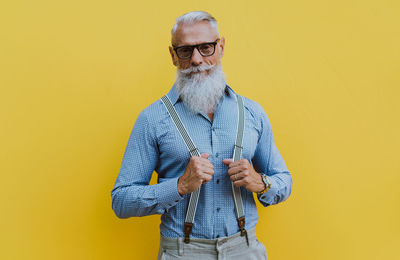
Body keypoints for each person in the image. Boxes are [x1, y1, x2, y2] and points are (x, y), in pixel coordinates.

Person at [111, 11, 292, 259]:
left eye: (206, 47)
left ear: (221, 47)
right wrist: (179, 186)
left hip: (244, 249)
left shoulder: (252, 112)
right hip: (182, 252)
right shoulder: (152, 119)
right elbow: (121, 201)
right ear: (173, 56)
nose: (196, 59)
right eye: (185, 51)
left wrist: (261, 183)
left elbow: (283, 179)